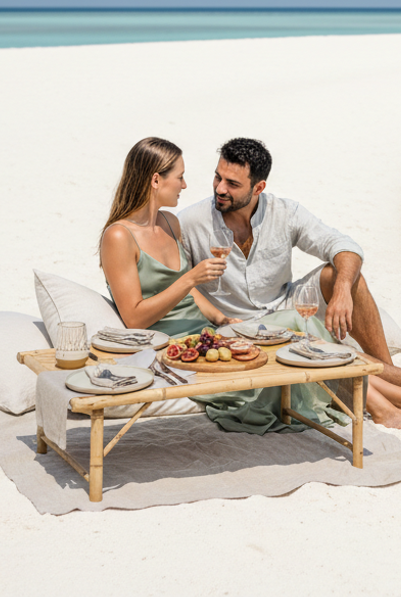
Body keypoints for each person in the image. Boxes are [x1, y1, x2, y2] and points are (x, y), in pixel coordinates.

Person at [177, 138, 401, 429]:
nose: (220, 188)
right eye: (218, 177)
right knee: (315, 337)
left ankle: (389, 371)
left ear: (258, 188)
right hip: (236, 324)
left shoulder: (284, 212)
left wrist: (342, 291)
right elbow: (178, 282)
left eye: (232, 183)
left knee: (342, 273)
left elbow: (344, 245)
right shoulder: (191, 222)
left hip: (284, 306)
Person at [99, 137, 349, 434]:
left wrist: (222, 319)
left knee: (296, 330)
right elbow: (134, 317)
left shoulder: (169, 223)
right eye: (179, 177)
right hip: (173, 350)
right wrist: (192, 277)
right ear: (156, 180)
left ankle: (384, 396)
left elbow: (189, 292)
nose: (185, 185)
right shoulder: (118, 236)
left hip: (209, 336)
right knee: (290, 342)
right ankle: (381, 403)